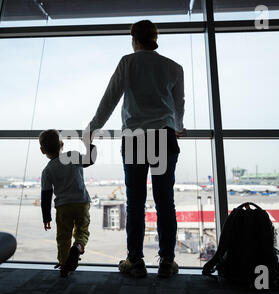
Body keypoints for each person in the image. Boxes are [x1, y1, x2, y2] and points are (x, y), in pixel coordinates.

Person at [84, 20, 185, 278]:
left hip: (136, 138)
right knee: (165, 202)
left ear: (134, 40)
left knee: (136, 202)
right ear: (155, 39)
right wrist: (179, 126)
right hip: (164, 137)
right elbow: (178, 105)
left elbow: (110, 98)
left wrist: (93, 127)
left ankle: (135, 261)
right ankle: (167, 261)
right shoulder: (174, 67)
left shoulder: (128, 63)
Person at [39, 129, 97, 277]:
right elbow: (90, 160)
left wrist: (46, 217)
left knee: (63, 236)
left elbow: (46, 195)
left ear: (42, 150)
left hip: (63, 206)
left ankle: (65, 264)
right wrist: (89, 144)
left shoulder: (47, 171)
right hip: (81, 202)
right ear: (62, 145)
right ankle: (78, 246)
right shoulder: (72, 156)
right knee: (82, 230)